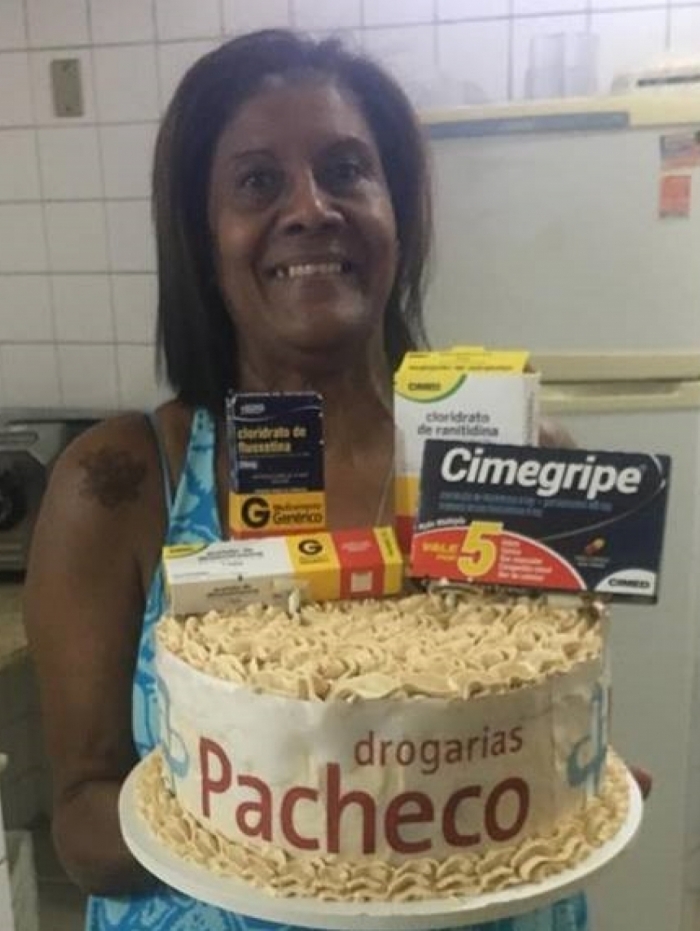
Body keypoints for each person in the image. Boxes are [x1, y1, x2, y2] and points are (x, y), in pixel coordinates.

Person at [25, 29, 641, 931]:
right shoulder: (116, 484)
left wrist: (560, 787)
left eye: (347, 170)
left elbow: (553, 716)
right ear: (202, 235)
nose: (311, 208)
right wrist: (273, 823)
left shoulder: (513, 455)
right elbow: (82, 823)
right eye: (257, 182)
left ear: (398, 212)